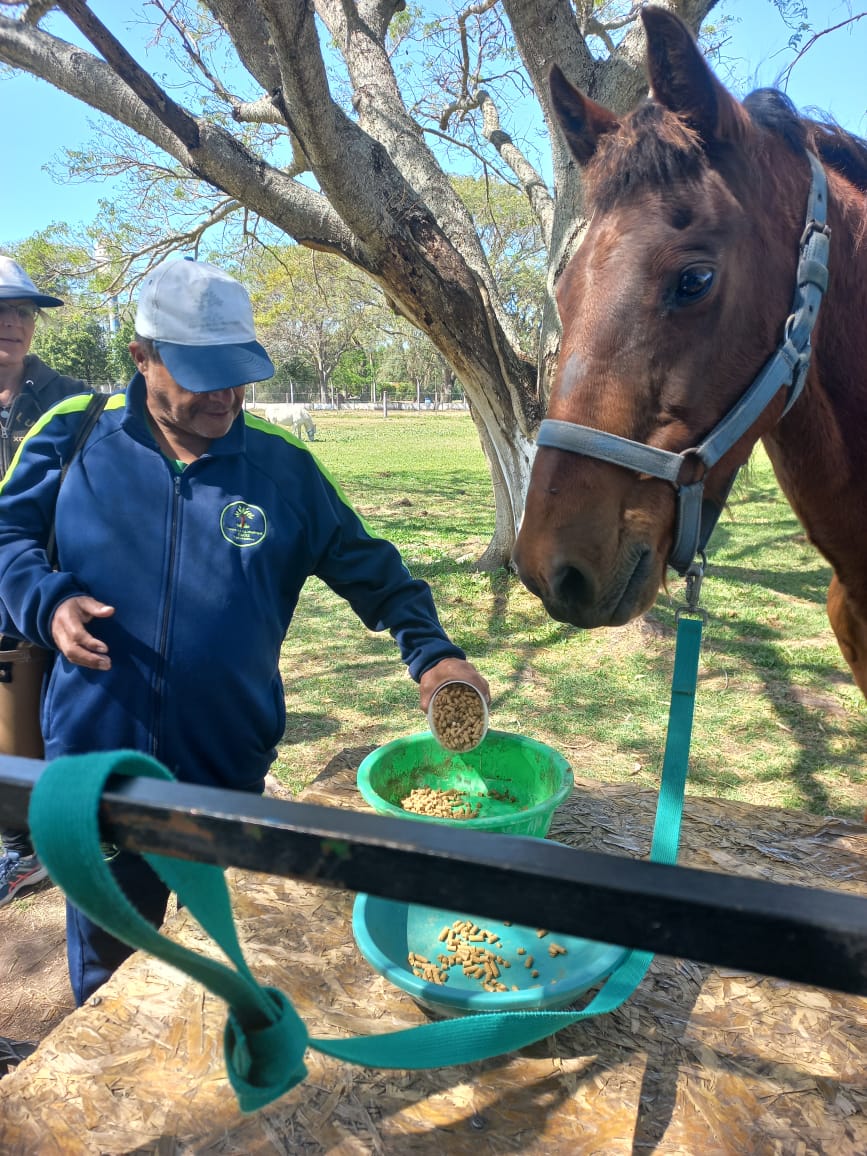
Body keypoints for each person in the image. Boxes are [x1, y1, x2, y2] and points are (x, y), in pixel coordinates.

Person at [0, 257, 489, 1005]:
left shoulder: (282, 471)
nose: (225, 395)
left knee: (219, 978)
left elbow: (379, 576)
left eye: (238, 373)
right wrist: (45, 600)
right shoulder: (73, 437)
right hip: (96, 773)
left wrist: (435, 655)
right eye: (202, 374)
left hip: (225, 780)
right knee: (107, 990)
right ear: (143, 357)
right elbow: (7, 539)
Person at [0, 255, 91, 908]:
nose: (11, 324)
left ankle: (26, 849)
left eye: (21, 312)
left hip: (33, 598)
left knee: (24, 726)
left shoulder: (73, 405)